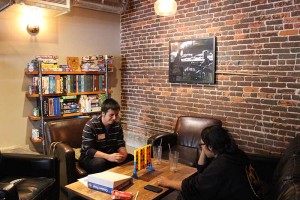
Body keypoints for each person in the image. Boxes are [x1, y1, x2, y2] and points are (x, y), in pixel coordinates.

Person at [157, 125, 263, 200]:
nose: (200, 145)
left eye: (202, 144)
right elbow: (200, 170)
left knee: (187, 194)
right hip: (254, 194)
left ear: (211, 147)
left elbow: (193, 188)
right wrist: (204, 147)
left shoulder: (221, 165)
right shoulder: (236, 153)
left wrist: (167, 182)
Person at [79, 98, 133, 174]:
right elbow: (89, 150)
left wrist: (123, 154)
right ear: (103, 114)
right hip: (90, 157)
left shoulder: (117, 124)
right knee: (101, 163)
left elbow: (120, 143)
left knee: (131, 158)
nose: (114, 118)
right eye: (111, 115)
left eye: (116, 115)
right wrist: (108, 157)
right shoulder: (91, 125)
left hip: (109, 154)